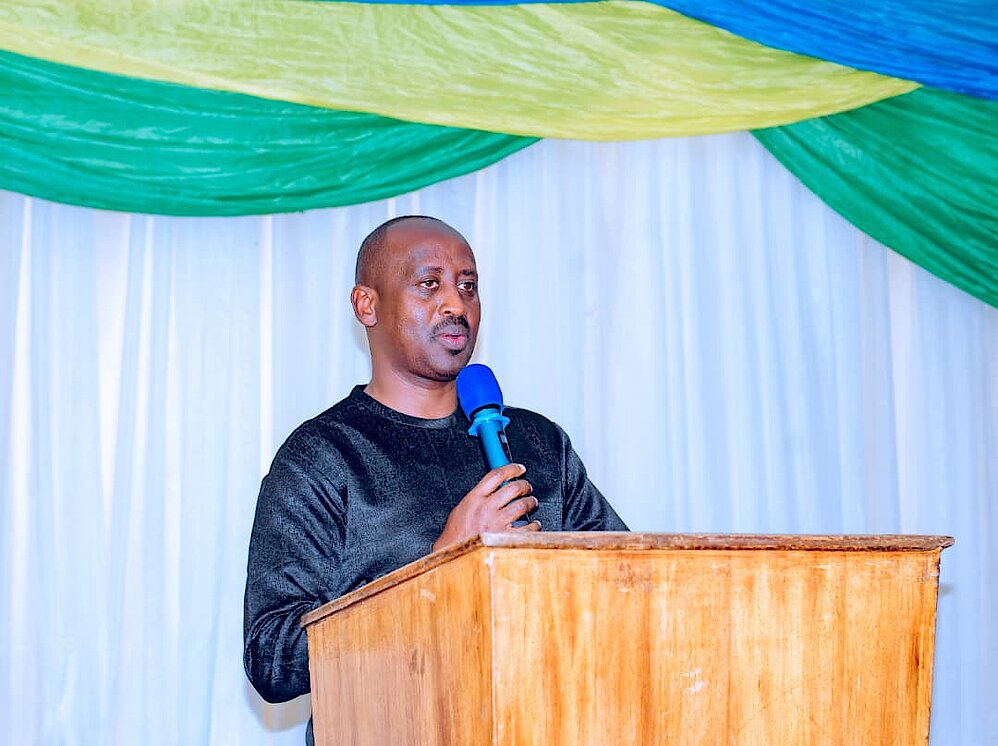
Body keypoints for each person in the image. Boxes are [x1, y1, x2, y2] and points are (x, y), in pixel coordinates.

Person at [243, 216, 627, 740]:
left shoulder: (538, 444)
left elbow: (627, 588)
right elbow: (272, 658)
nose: (455, 304)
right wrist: (435, 569)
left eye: (468, 286)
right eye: (430, 284)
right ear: (366, 305)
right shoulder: (322, 456)